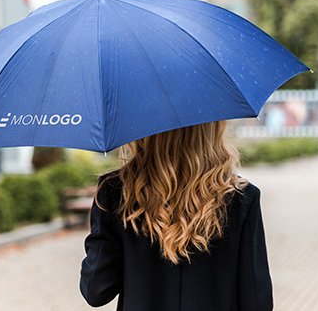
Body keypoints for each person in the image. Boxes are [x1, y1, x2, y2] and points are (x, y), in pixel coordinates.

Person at [80, 120, 273, 311]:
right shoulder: (242, 198)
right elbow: (257, 301)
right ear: (214, 125)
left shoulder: (115, 193)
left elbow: (96, 291)